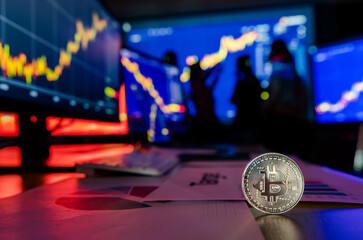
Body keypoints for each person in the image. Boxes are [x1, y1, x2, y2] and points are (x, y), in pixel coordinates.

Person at [262, 39, 308, 153]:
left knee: (277, 154)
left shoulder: (278, 65)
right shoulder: (291, 67)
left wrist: (264, 108)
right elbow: (302, 93)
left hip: (280, 117)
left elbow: (275, 92)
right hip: (293, 117)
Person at [231, 55, 262, 143]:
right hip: (254, 121)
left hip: (243, 122)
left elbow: (234, 99)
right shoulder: (255, 80)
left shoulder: (242, 83)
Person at [189, 62, 222, 142]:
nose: (203, 72)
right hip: (205, 124)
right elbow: (206, 76)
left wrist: (216, 73)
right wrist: (214, 68)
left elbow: (209, 90)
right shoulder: (197, 86)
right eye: (200, 70)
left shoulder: (198, 86)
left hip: (206, 122)